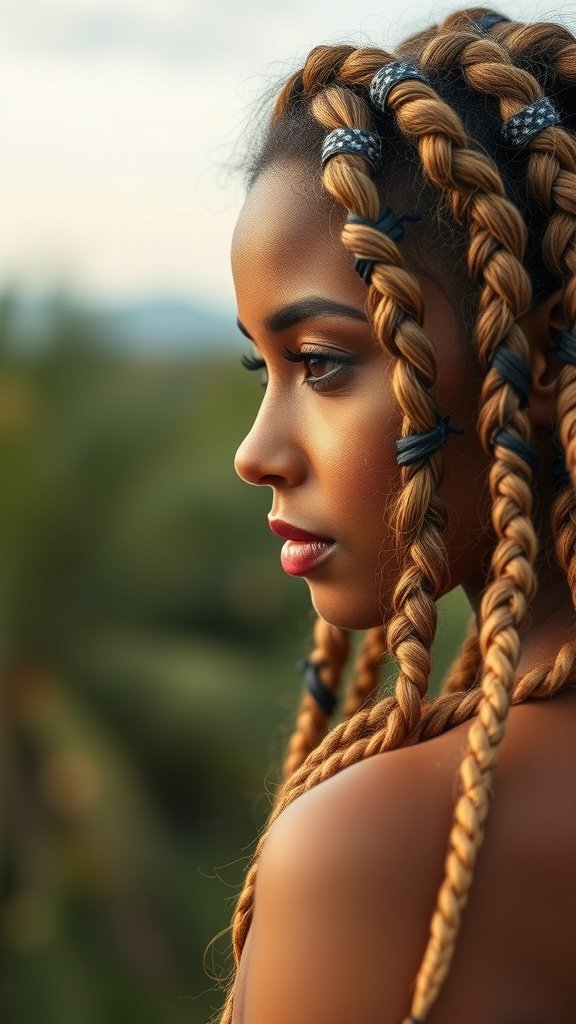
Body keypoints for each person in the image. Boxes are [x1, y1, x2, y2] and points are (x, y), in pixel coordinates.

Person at [218, 7, 576, 1022]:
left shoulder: (372, 850)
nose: (256, 453)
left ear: (537, 362)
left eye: (323, 365)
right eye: (264, 366)